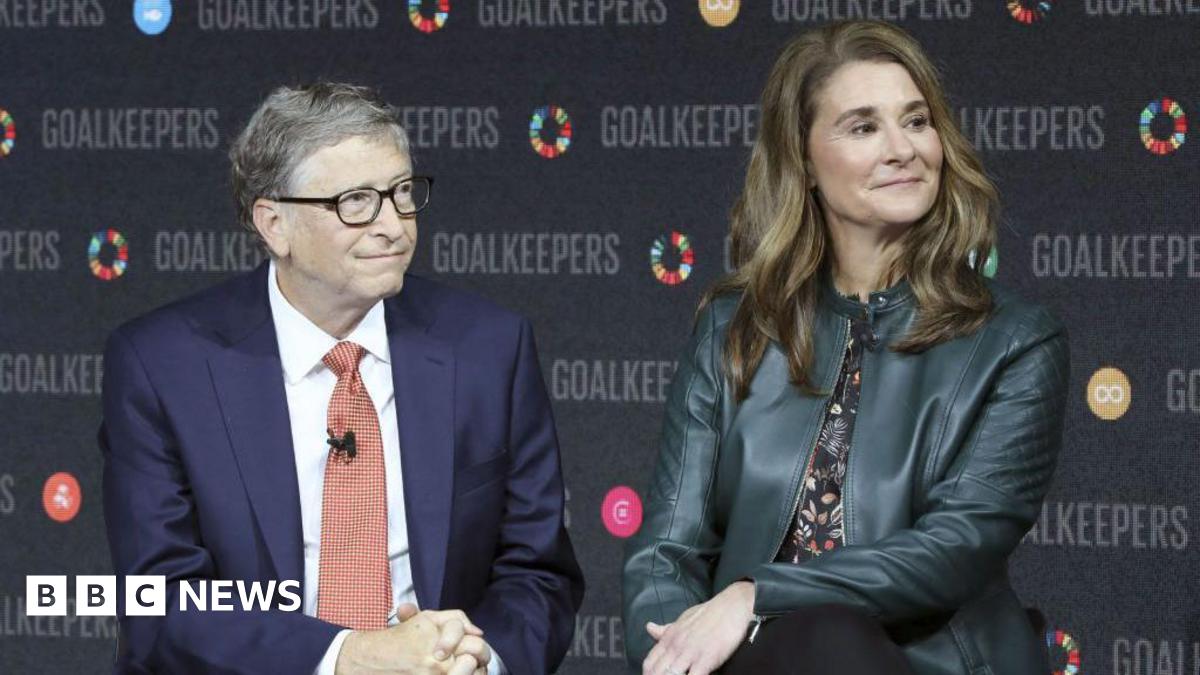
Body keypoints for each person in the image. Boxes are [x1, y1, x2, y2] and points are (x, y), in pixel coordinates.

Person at [622, 20, 1069, 675]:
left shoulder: (1015, 340)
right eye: (863, 127)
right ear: (802, 158)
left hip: (926, 662)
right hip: (752, 660)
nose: (903, 149)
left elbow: (953, 548)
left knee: (830, 641)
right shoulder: (735, 327)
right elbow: (665, 547)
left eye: (916, 121)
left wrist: (758, 595)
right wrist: (671, 651)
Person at [99, 82, 584, 675]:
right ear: (274, 224)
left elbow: (537, 572)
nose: (394, 226)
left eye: (403, 194)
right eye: (356, 202)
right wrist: (346, 657)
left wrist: (483, 660)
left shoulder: (488, 348)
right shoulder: (162, 364)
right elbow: (160, 599)